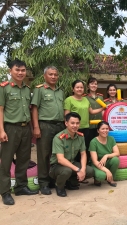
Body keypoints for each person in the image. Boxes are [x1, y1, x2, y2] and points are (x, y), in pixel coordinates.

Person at [0, 59, 39, 205]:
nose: (20, 73)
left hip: (25, 128)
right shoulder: (4, 88)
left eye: (23, 70)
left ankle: (21, 187)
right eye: (17, 70)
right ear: (10, 71)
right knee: (6, 161)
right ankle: (4, 192)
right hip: (10, 128)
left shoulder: (27, 89)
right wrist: (1, 130)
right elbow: (0, 110)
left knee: (24, 159)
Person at [31, 66, 65, 195]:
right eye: (50, 74)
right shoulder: (39, 90)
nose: (53, 77)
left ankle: (54, 180)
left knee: (57, 155)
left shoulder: (60, 91)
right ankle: (43, 183)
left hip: (60, 126)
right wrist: (36, 127)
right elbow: (34, 108)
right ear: (45, 76)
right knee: (44, 155)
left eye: (55, 74)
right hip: (45, 125)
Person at [49, 112, 95, 197]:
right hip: (57, 166)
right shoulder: (59, 138)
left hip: (71, 163)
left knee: (90, 171)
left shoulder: (80, 136)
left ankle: (71, 181)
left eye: (77, 123)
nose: (75, 125)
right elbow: (60, 159)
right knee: (67, 171)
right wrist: (78, 170)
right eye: (72, 123)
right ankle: (59, 185)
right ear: (66, 123)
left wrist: (83, 169)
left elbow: (83, 154)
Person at [64, 80, 103, 162]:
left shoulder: (85, 99)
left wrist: (103, 108)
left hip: (86, 128)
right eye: (77, 87)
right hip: (74, 129)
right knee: (74, 149)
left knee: (84, 148)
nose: (79, 89)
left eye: (81, 87)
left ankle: (84, 167)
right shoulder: (69, 100)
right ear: (73, 89)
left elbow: (91, 111)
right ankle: (74, 168)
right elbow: (66, 115)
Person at [89, 121, 120, 187]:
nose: (105, 131)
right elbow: (94, 161)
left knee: (115, 160)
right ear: (98, 130)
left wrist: (106, 156)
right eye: (103, 129)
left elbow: (117, 153)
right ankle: (97, 179)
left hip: (107, 162)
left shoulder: (111, 139)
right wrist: (107, 171)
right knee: (101, 176)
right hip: (97, 164)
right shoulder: (93, 142)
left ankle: (111, 179)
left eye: (107, 129)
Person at [84, 77, 104, 151]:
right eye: (92, 83)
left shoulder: (101, 97)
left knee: (99, 144)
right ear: (88, 86)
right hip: (89, 125)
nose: (94, 85)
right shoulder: (85, 98)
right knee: (89, 144)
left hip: (99, 125)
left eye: (95, 84)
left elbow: (103, 110)